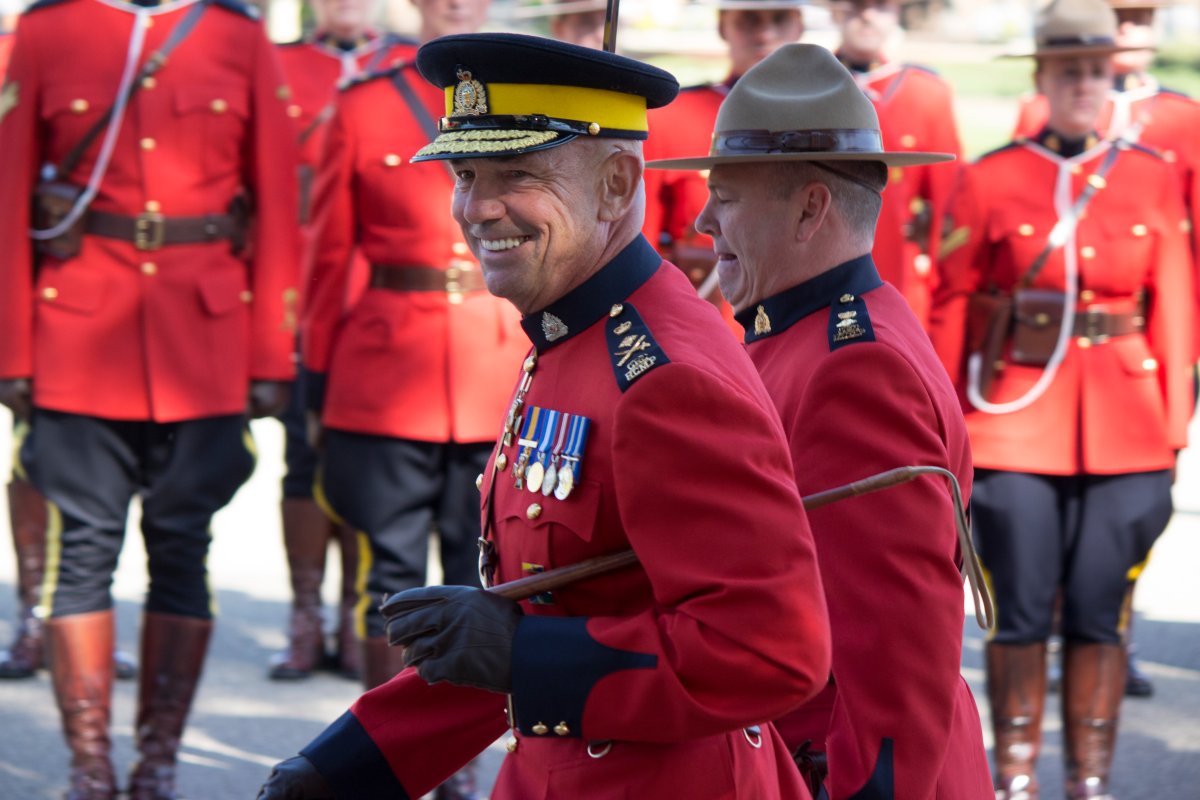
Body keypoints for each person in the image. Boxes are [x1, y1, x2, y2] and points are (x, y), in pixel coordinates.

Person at [258, 31, 832, 800]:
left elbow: (770, 653)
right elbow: (556, 612)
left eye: (516, 174)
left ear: (616, 183)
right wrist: (343, 768)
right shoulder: (571, 334)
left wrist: (522, 651)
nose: (476, 208)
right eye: (465, 174)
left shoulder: (665, 374)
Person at [648, 42, 992, 799]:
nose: (702, 219)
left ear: (811, 208)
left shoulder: (853, 369)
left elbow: (897, 649)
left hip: (843, 766)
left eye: (727, 198)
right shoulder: (821, 333)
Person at [0, 0, 300, 797]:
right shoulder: (45, 30)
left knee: (182, 546)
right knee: (82, 553)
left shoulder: (236, 36)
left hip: (203, 341)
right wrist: (12, 348)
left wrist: (271, 349)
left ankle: (157, 764)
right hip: (76, 336)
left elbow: (275, 199)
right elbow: (6, 193)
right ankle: (91, 767)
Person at [929, 1, 1194, 797]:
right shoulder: (991, 177)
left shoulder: (1149, 174)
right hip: (1013, 422)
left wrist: (1173, 430)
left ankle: (1089, 780)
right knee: (1017, 611)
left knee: (1097, 610)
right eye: (1068, 70)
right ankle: (1015, 777)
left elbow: (1177, 305)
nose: (1084, 84)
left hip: (1128, 422)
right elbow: (950, 302)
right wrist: (945, 427)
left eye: (1096, 71)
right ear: (1042, 78)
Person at [1012, 2, 1200, 699]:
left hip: (1131, 376)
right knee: (1023, 580)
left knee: (1118, 538)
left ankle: (1115, 633)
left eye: (1136, 18)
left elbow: (1180, 275)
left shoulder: (1179, 123)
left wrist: (1174, 414)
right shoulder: (1016, 151)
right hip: (1028, 391)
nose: (1129, 28)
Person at [267, 0, 414, 683]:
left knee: (375, 477)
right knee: (303, 460)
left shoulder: (403, 72)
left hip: (376, 294)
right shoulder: (281, 63)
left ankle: (359, 623)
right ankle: (304, 618)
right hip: (303, 281)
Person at [642, 0, 806, 336]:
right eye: (748, 19)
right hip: (705, 334)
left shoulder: (826, 124)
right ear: (722, 26)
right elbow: (638, 249)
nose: (764, 33)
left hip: (802, 327)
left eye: (779, 18)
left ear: (800, 25)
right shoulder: (672, 119)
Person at [828, 0, 963, 328]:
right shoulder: (806, 88)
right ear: (834, 9)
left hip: (903, 277)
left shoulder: (926, 93)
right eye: (856, 5)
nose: (868, 16)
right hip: (822, 269)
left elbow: (950, 203)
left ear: (897, 12)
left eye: (880, 6)